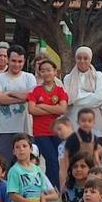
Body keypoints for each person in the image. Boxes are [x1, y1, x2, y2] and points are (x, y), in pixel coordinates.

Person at [0, 46, 37, 166]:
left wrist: (10, 93)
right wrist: (21, 99)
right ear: (8, 60)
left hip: (24, 128)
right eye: (14, 61)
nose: (17, 64)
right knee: (4, 165)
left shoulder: (29, 77)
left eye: (20, 61)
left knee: (25, 165)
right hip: (3, 129)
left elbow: (31, 96)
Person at [27, 58, 68, 190]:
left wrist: (43, 105)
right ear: (39, 73)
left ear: (55, 72)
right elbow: (31, 109)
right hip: (40, 132)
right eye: (43, 71)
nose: (46, 73)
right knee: (51, 160)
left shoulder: (60, 90)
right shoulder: (36, 90)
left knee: (57, 161)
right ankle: (51, 189)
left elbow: (62, 109)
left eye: (49, 70)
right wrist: (52, 108)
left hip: (57, 132)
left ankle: (53, 189)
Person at [64, 47, 102, 142]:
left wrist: (76, 98)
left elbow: (98, 99)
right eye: (79, 58)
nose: (82, 61)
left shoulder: (98, 76)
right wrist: (89, 95)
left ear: (90, 59)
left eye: (85, 58)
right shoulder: (68, 78)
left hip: (95, 120)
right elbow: (68, 98)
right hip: (73, 120)